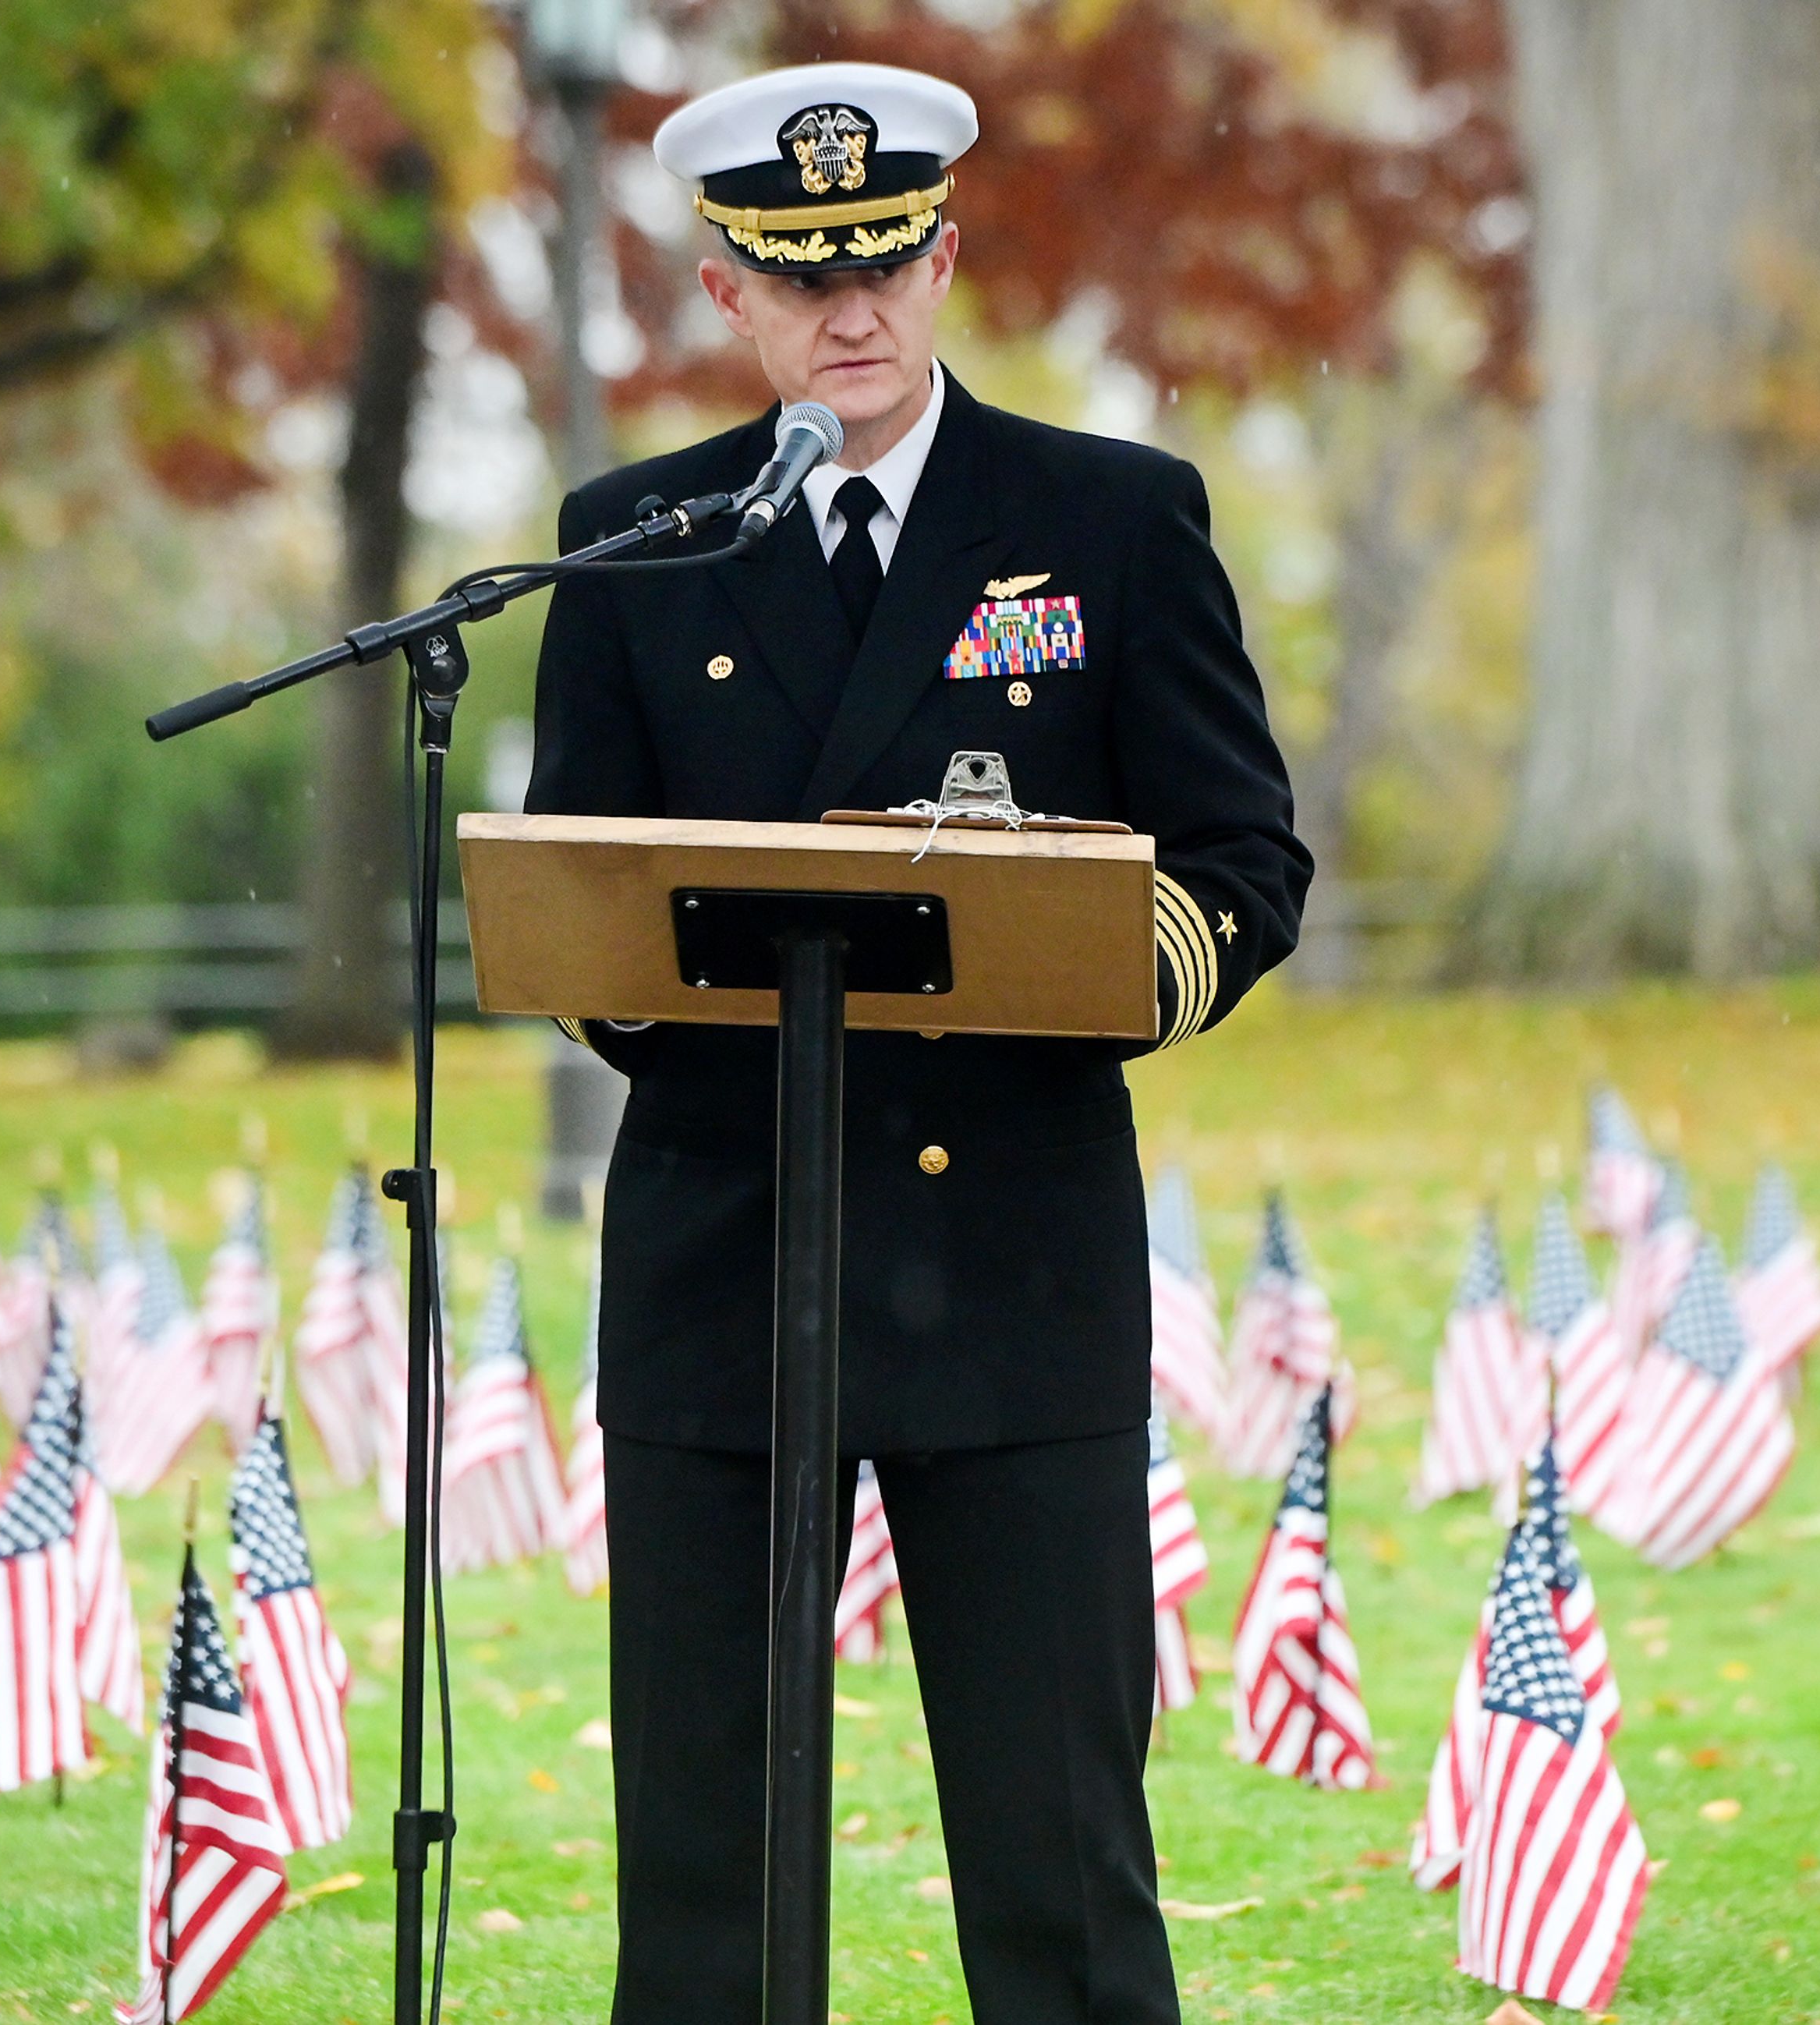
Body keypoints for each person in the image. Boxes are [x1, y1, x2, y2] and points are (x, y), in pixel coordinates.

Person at [527, 60, 1310, 2024]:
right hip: (729, 1245)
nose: (850, 314)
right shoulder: (632, 542)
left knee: (1056, 1863)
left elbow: (1245, 856)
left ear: (949, 258)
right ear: (724, 294)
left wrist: (1086, 967)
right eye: (803, 280)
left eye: (885, 263)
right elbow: (589, 891)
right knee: (705, 1872)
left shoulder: (1109, 520)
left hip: (1014, 1247)